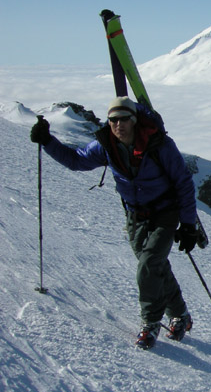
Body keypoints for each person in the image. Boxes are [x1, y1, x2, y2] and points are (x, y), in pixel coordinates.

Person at [31, 96, 198, 350]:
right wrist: (47, 141)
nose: (118, 125)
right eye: (113, 120)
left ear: (134, 121)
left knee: (149, 263)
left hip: (165, 212)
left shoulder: (159, 145)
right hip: (135, 216)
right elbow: (77, 160)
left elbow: (184, 183)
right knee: (155, 266)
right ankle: (180, 314)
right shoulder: (106, 146)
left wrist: (187, 225)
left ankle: (150, 322)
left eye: (124, 119)